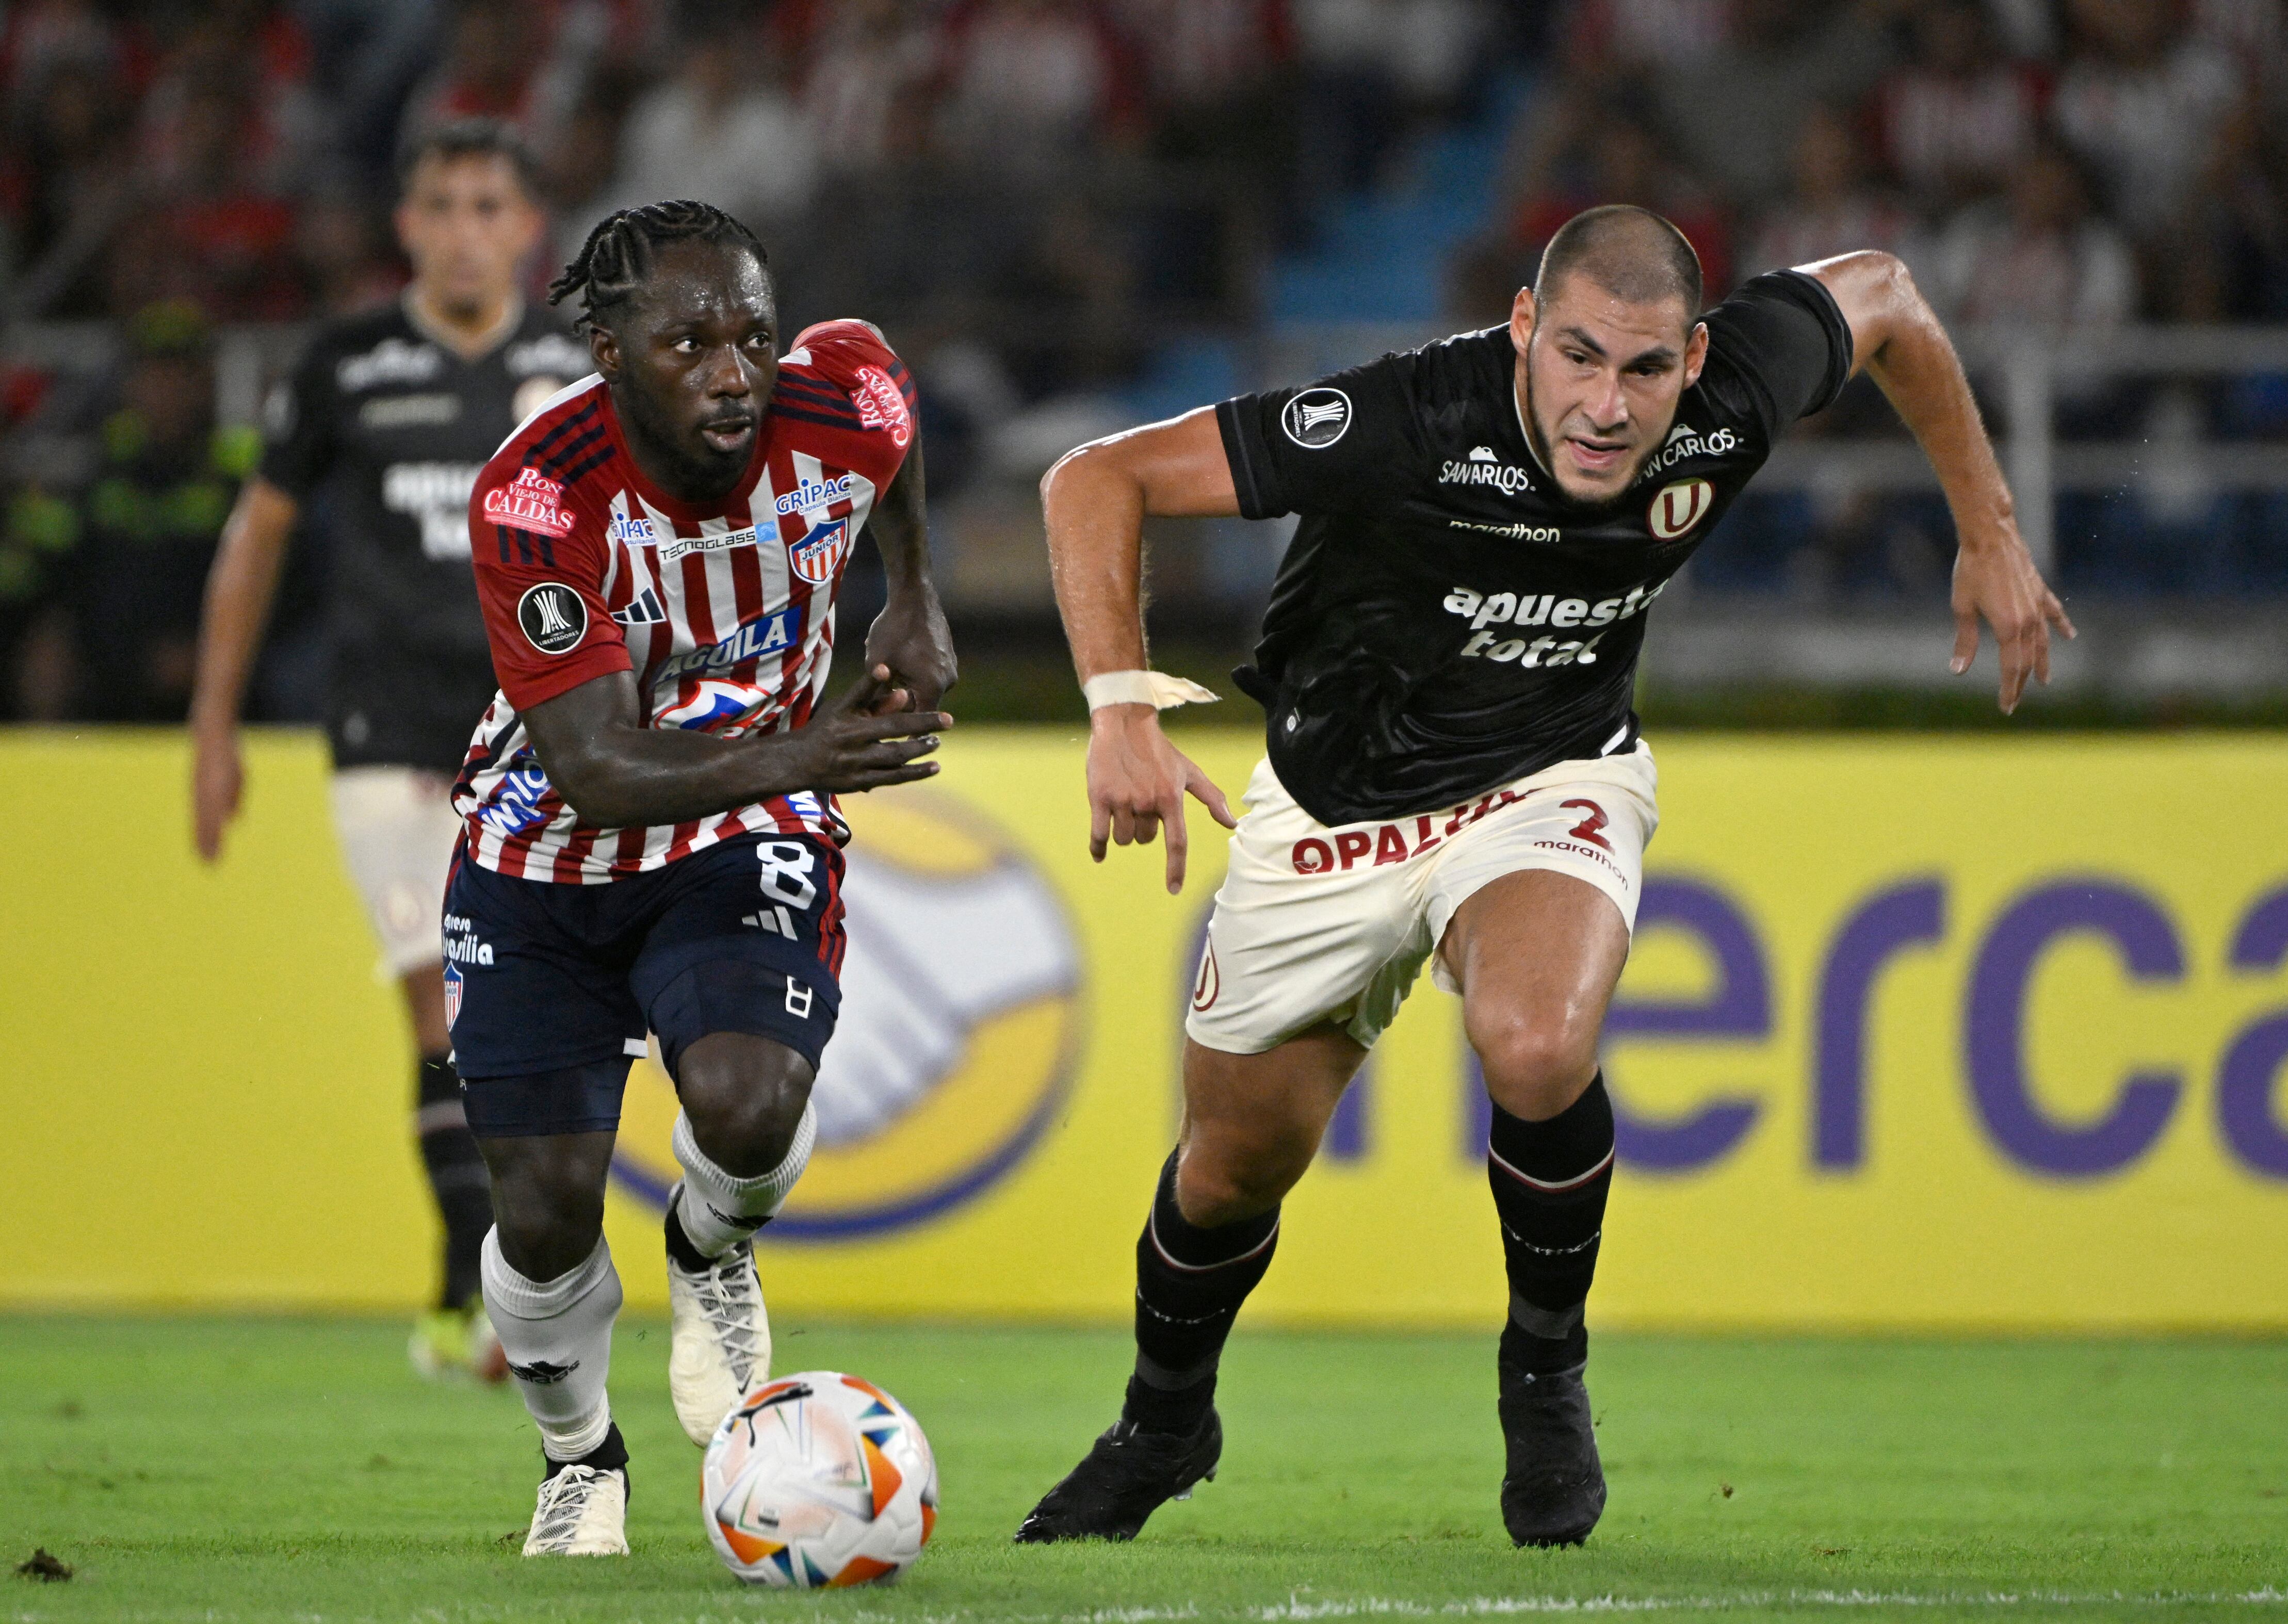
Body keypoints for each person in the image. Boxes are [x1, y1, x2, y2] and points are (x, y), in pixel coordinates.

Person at [1018, 204, 2071, 1548]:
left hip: (1547, 776)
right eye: (1575, 356)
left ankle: (1543, 1369)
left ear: (1692, 362)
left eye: (1641, 369)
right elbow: (1093, 478)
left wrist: (1989, 528)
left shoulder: (1735, 392)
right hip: (1331, 810)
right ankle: (1164, 1422)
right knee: (1231, 1164)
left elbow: (1887, 298)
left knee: (1532, 1041)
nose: (1603, 405)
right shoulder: (1405, 416)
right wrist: (1120, 704)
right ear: (1522, 330)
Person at [446, 199, 954, 1556]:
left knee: (743, 1103)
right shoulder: (536, 492)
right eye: (690, 342)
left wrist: (911, 594)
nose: (735, 371)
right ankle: (579, 1457)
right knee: (543, 1214)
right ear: (607, 350)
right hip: (542, 852)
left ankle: (711, 1245)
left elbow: (885, 396)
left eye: (752, 335)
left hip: (736, 830)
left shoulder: (831, 408)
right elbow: (598, 767)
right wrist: (809, 744)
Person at [188, 119, 589, 1380]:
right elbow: (256, 539)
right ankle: (488, 1312)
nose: (464, 227)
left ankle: (464, 1294)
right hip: (389, 738)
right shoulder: (345, 364)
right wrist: (215, 722)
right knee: (446, 998)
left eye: (488, 204)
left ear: (529, 228)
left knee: (540, 1027)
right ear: (406, 225)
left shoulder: (579, 374)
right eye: (440, 204)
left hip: (546, 739)